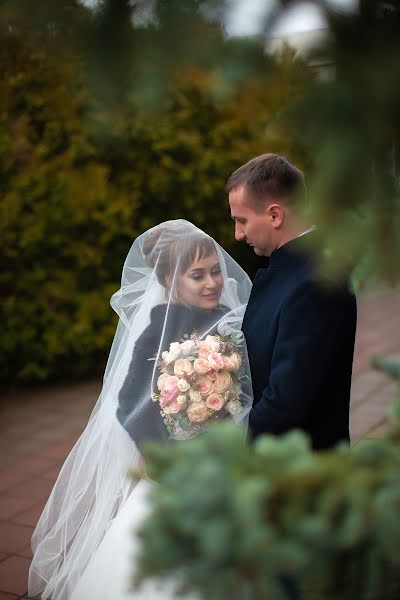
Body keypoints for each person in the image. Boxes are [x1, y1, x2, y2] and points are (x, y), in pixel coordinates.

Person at [29, 220, 252, 600]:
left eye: (215, 271)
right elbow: (128, 403)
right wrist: (167, 450)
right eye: (197, 275)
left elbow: (245, 386)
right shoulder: (155, 331)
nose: (213, 282)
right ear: (169, 281)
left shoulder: (231, 321)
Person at [227, 153, 357, 450]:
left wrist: (233, 452)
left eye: (242, 220)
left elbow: (286, 401)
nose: (238, 234)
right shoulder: (288, 270)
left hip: (301, 471)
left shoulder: (317, 284)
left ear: (275, 215)